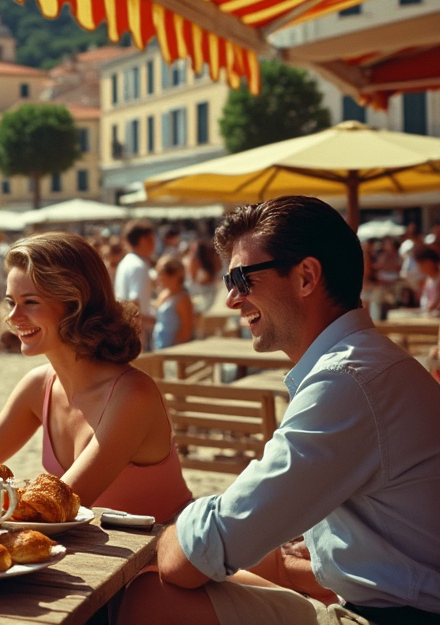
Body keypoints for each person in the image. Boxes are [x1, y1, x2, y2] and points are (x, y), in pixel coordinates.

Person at [118, 196, 440, 625]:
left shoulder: (346, 380)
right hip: (391, 601)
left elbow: (193, 555)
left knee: (152, 595)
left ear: (306, 276)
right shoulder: (371, 364)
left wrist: (171, 531)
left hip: (399, 616)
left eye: (242, 278)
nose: (232, 298)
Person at [0, 232, 192, 522]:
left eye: (30, 302)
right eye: (11, 302)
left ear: (75, 304)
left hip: (160, 558)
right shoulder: (39, 385)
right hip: (99, 558)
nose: (14, 317)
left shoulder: (132, 395)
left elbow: (59, 505)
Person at [114, 220, 157, 349]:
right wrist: (157, 322)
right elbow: (134, 306)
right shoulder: (138, 266)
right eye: (152, 239)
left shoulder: (126, 262)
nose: (154, 244)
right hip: (137, 335)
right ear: (144, 240)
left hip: (127, 332)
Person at [152, 254, 195, 349]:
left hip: (173, 352)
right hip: (159, 347)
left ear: (174, 275)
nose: (158, 278)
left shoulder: (183, 299)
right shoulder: (163, 294)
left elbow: (186, 332)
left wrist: (173, 354)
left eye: (161, 273)